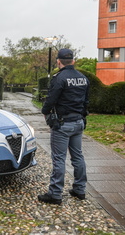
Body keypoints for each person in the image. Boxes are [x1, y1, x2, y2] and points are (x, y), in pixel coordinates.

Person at [38, 48, 89, 205]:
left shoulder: (59, 78)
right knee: (78, 156)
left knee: (59, 158)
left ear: (58, 61)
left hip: (63, 124)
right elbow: (86, 101)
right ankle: (80, 190)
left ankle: (55, 193)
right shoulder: (83, 78)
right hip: (78, 122)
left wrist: (45, 112)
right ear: (73, 61)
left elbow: (51, 99)